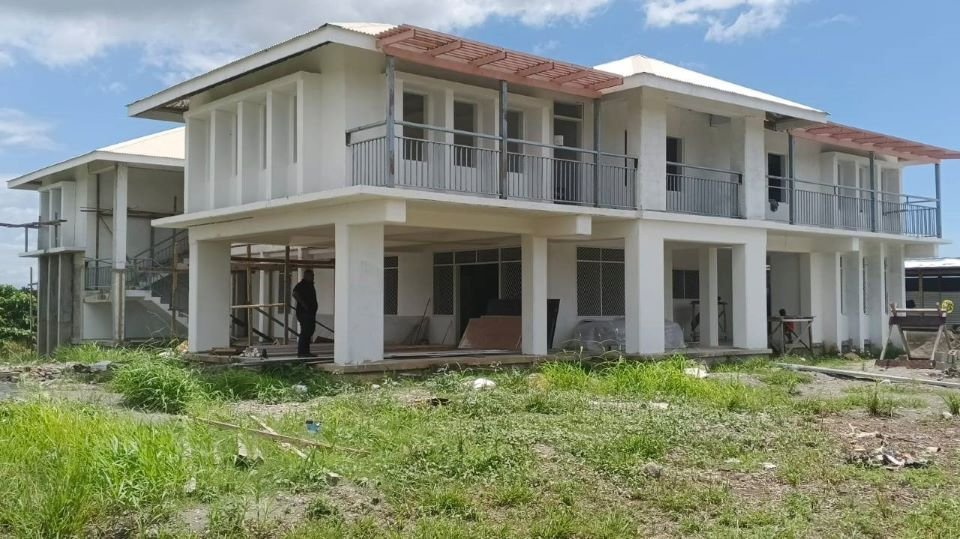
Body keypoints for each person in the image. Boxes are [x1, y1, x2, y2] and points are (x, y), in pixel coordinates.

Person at [292, 269, 318, 357]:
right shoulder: (302, 284)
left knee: (309, 331)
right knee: (305, 332)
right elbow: (295, 293)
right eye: (311, 275)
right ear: (306, 276)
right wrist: (304, 304)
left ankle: (306, 352)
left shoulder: (310, 285)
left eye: (313, 275)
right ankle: (302, 352)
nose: (313, 277)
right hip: (304, 313)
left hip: (310, 313)